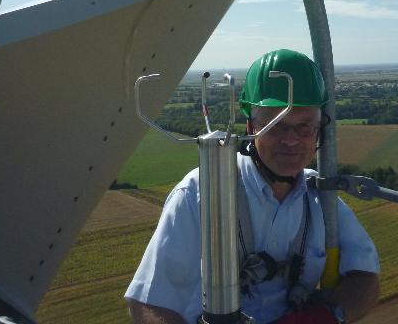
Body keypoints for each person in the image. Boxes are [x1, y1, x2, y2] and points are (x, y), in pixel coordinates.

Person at [125, 49, 380, 324]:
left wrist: (330, 315)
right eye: (275, 125)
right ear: (250, 126)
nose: (291, 140)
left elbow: (364, 278)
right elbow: (148, 303)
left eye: (305, 127)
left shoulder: (320, 199)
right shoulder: (199, 193)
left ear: (320, 131)